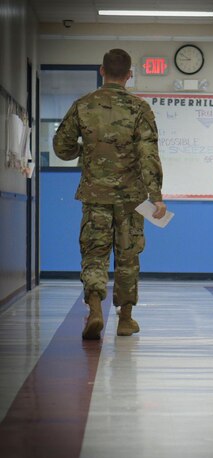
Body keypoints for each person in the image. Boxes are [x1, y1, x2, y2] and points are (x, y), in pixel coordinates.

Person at [53, 49, 166, 340]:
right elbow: (148, 154)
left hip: (95, 196)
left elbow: (61, 148)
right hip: (132, 199)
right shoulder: (140, 109)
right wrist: (156, 195)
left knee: (94, 254)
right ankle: (126, 319)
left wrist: (85, 151)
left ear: (102, 71)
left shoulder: (83, 105)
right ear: (129, 75)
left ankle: (94, 309)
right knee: (128, 257)